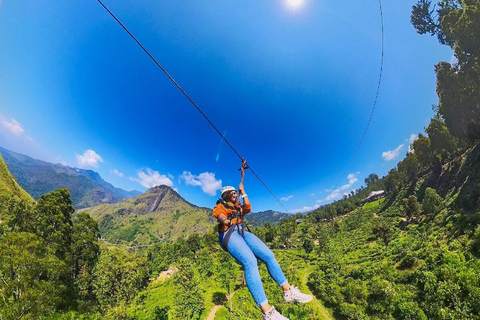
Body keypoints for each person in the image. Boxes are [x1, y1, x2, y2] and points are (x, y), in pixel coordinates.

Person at [213, 183, 312, 320]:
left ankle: (288, 291)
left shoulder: (238, 208)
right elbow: (219, 215)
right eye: (232, 192)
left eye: (235, 192)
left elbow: (248, 207)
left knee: (268, 255)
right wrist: (226, 221)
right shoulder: (222, 205)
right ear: (225, 195)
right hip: (228, 233)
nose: (235, 194)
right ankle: (268, 313)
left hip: (240, 231)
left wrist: (244, 191)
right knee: (250, 262)